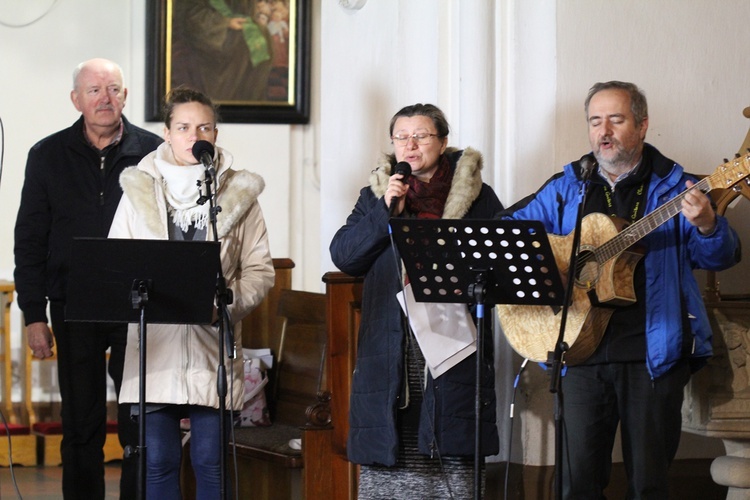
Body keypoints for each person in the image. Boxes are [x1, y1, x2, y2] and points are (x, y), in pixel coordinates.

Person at [498, 81, 741, 498]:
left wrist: (707, 225)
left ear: (642, 125)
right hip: (577, 354)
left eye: (616, 119)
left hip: (651, 354)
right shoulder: (568, 186)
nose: (603, 131)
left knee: (648, 485)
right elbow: (507, 234)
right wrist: (549, 267)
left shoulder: (676, 186)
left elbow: (720, 257)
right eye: (595, 121)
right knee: (576, 486)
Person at [329, 103, 503, 498]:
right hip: (391, 346)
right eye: (401, 137)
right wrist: (385, 212)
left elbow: (496, 267)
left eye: (421, 136)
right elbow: (345, 256)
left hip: (454, 347)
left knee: (452, 465)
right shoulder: (376, 195)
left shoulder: (478, 199)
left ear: (442, 142)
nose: (410, 145)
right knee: (393, 456)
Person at [108, 86, 274, 498]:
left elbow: (259, 270)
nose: (193, 135)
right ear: (166, 132)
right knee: (160, 459)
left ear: (215, 134)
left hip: (212, 347)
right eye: (183, 127)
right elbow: (115, 263)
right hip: (155, 347)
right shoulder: (139, 190)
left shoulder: (241, 194)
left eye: (203, 127)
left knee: (210, 461)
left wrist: (227, 304)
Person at [13, 58, 163, 499]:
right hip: (72, 302)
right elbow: (30, 239)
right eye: (94, 90)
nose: (105, 98)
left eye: (113, 89)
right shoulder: (46, 155)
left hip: (136, 303)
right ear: (76, 99)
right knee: (81, 426)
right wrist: (33, 315)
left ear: (125, 97)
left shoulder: (153, 153)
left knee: (140, 423)